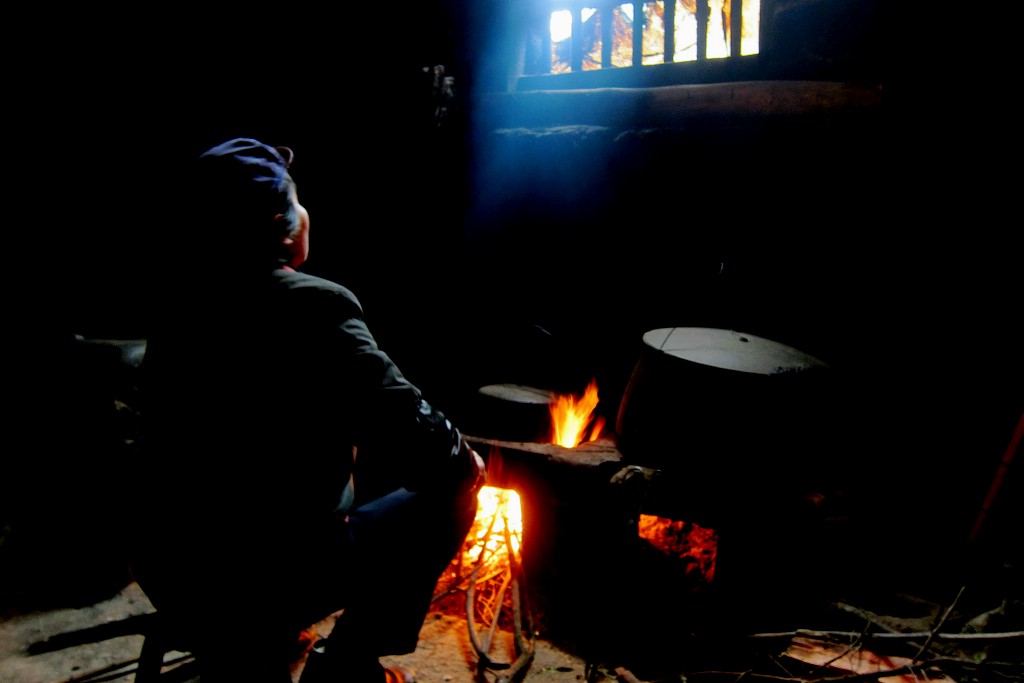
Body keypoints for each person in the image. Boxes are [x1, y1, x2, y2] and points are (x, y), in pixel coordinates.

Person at [131, 138, 486, 683]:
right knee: (456, 483)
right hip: (268, 573)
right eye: (298, 201)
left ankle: (257, 640)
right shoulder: (317, 304)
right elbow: (417, 433)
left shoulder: (178, 303)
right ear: (282, 224)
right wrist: (461, 456)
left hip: (170, 564)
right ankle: (345, 664)